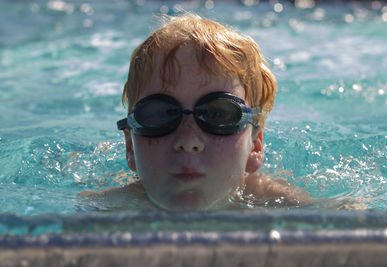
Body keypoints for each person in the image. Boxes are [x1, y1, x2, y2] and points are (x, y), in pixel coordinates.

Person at [80, 13, 313, 211]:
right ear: (130, 147)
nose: (188, 141)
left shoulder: (286, 206)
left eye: (219, 114)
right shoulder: (104, 209)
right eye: (158, 115)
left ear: (255, 147)